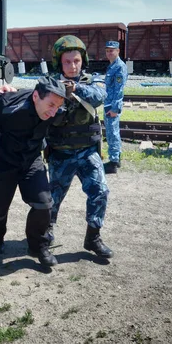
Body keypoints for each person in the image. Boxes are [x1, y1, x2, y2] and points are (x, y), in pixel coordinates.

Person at [0, 76, 66, 268]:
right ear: (35, 96)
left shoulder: (56, 112)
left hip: (30, 160)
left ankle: (37, 246)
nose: (53, 111)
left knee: (44, 203)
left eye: (57, 107)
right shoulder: (7, 104)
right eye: (50, 105)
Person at [45, 35, 112, 258]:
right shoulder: (49, 82)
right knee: (51, 200)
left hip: (87, 152)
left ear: (83, 60)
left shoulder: (94, 80)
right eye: (67, 62)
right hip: (60, 153)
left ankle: (93, 238)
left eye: (76, 61)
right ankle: (45, 236)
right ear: (59, 63)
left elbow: (100, 96)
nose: (72, 66)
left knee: (100, 191)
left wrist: (75, 89)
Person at [103, 40, 128, 174]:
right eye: (107, 50)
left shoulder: (119, 66)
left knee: (112, 133)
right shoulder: (112, 65)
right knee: (112, 132)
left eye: (112, 50)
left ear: (118, 51)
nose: (109, 53)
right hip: (108, 104)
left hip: (112, 106)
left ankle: (113, 162)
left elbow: (119, 90)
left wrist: (115, 108)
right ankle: (116, 159)